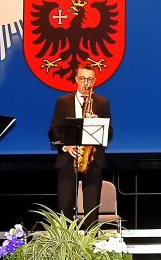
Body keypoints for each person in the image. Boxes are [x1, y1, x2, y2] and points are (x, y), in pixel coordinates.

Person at [48, 64, 113, 229]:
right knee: (65, 209)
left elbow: (109, 134)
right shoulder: (63, 102)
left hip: (92, 159)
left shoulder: (102, 102)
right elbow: (54, 131)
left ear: (95, 81)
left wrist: (98, 122)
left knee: (92, 212)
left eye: (90, 79)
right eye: (83, 78)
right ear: (76, 79)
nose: (86, 83)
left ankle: (90, 242)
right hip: (68, 159)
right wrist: (67, 146)